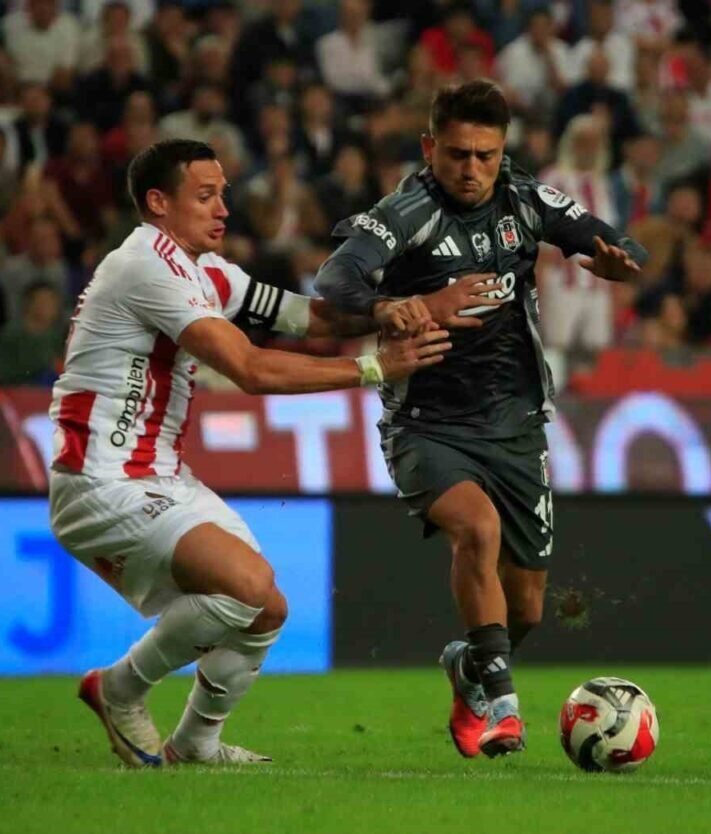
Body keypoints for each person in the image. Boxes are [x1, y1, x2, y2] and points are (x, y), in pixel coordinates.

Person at [50, 139, 485, 768]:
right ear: (158, 202)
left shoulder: (207, 271)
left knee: (265, 610)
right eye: (205, 195)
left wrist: (396, 310)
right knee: (246, 586)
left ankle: (195, 744)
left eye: (223, 193)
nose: (223, 208)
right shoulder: (145, 265)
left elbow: (310, 317)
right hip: (101, 476)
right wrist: (375, 368)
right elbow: (251, 369)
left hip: (159, 474)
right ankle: (119, 688)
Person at [314, 81, 647, 759]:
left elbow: (608, 238)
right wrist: (388, 307)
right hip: (427, 422)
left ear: (503, 152)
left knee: (525, 608)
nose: (472, 169)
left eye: (486, 155)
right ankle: (504, 708)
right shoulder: (405, 213)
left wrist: (617, 260)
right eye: (458, 154)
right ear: (429, 147)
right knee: (477, 527)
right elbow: (334, 280)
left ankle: (470, 667)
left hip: (516, 421)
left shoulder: (524, 199)